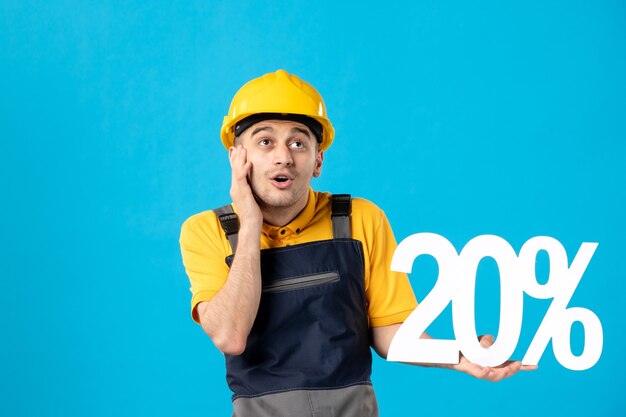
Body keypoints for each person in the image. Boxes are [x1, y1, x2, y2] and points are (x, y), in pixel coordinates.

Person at [180, 69, 534, 417]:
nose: (283, 156)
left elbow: (391, 332)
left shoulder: (359, 220)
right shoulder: (207, 231)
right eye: (265, 141)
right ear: (238, 158)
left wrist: (463, 356)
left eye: (298, 142)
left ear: (318, 160)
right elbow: (230, 337)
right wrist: (250, 222)